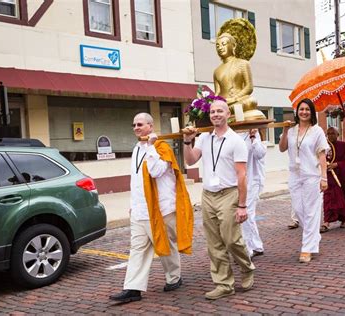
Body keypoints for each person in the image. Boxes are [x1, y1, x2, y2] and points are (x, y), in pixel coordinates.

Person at [109, 113, 193, 303]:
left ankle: (174, 277)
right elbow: (136, 181)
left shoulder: (162, 148)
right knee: (138, 248)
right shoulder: (137, 148)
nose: (136, 127)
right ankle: (133, 288)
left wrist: (151, 147)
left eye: (140, 124)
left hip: (162, 209)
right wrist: (133, 205)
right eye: (134, 125)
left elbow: (155, 172)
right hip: (140, 210)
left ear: (151, 126)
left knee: (167, 246)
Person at [183, 100, 255, 300]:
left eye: (219, 111)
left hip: (229, 193)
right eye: (213, 111)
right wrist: (188, 141)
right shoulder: (204, 138)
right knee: (214, 243)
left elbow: (242, 176)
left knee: (232, 240)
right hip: (208, 195)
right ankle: (224, 284)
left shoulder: (236, 141)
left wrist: (242, 205)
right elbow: (190, 160)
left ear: (228, 114)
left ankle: (247, 267)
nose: (215, 114)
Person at [279, 98, 329, 263]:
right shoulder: (292, 130)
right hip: (295, 175)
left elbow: (322, 155)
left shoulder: (317, 131)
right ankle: (314, 237)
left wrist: (324, 178)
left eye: (307, 109)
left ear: (312, 112)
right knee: (299, 210)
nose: (304, 112)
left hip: (311, 175)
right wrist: (285, 131)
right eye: (301, 109)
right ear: (297, 112)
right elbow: (282, 148)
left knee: (311, 211)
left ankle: (307, 248)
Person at [213, 33, 265, 121]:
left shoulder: (243, 63)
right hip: (225, 103)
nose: (220, 48)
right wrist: (212, 103)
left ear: (233, 46)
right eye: (217, 46)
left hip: (238, 100)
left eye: (223, 44)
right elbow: (217, 93)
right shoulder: (216, 71)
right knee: (214, 110)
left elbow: (249, 87)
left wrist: (234, 98)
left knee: (251, 101)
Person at [238, 129, 266, 258]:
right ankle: (257, 245)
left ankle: (247, 250)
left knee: (246, 213)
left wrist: (253, 137)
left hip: (252, 179)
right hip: (236, 180)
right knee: (248, 214)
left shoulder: (253, 132)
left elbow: (260, 154)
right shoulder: (229, 133)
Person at [321, 127, 345, 232]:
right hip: (328, 176)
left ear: (338, 134)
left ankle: (343, 220)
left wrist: (337, 164)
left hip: (340, 176)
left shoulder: (343, 145)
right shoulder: (324, 146)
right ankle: (326, 221)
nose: (330, 136)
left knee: (341, 198)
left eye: (333, 133)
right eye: (328, 134)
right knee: (328, 197)